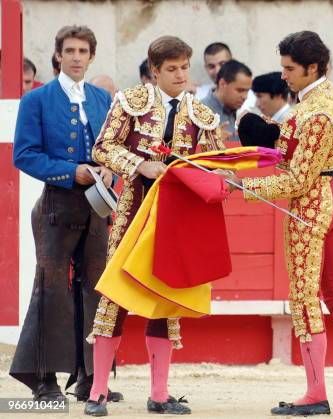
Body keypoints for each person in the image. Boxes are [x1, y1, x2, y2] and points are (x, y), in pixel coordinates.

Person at [222, 31, 333, 416]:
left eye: (290, 69)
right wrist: (274, 136)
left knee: (305, 298)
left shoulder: (314, 112)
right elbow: (299, 155)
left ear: (312, 68)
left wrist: (244, 185)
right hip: (331, 201)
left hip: (308, 209)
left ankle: (316, 394)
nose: (284, 76)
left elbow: (297, 179)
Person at [84, 35, 224, 416]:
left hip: (175, 218)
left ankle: (159, 394)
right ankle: (97, 393)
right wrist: (139, 165)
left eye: (184, 67)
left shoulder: (203, 115)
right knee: (115, 300)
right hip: (133, 213)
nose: (181, 75)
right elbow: (103, 147)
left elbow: (213, 163)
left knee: (166, 301)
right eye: (172, 69)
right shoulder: (130, 103)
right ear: (155, 71)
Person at [11, 25, 120, 403]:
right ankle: (44, 378)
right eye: (70, 50)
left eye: (83, 51)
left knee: (96, 288)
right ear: (58, 55)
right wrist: (67, 171)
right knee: (52, 287)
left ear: (92, 56)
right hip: (57, 203)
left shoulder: (101, 99)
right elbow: (23, 154)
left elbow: (114, 150)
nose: (76, 57)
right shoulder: (37, 100)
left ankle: (92, 377)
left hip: (96, 205)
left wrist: (110, 170)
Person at [200, 59, 252, 141]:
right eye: (240, 90)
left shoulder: (242, 110)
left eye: (247, 91)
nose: (245, 96)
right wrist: (210, 142)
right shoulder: (199, 111)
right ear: (222, 84)